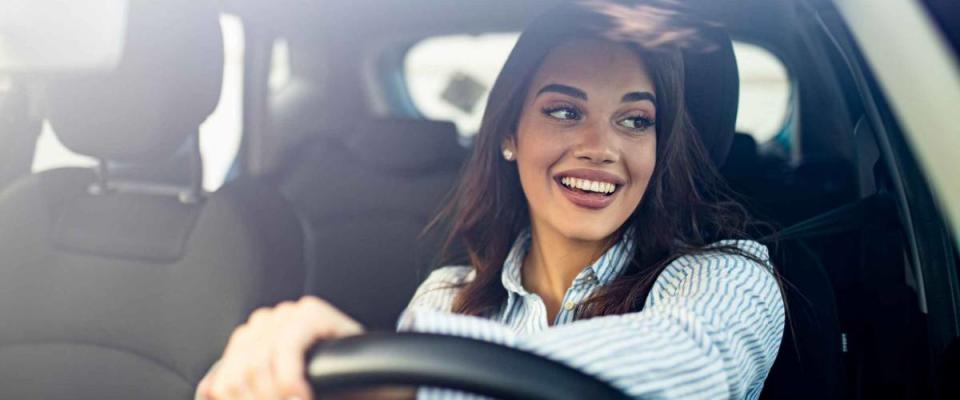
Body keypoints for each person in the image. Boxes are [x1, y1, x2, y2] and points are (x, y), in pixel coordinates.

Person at [198, 1, 785, 399]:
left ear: (659, 150)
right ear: (509, 134)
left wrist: (394, 363)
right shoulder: (447, 300)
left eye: (634, 120)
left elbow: (695, 364)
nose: (600, 148)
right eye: (564, 111)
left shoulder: (730, 275)